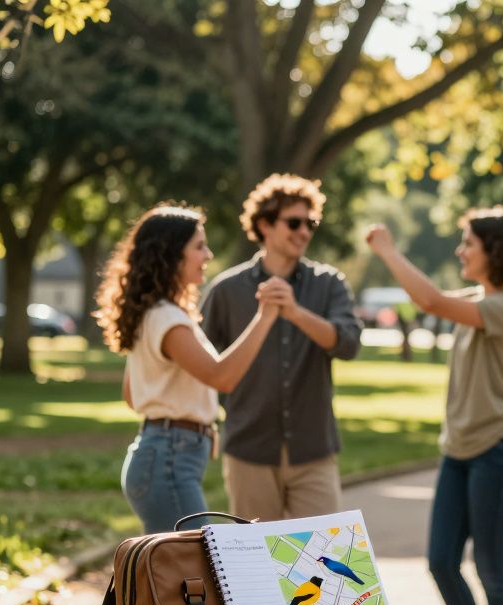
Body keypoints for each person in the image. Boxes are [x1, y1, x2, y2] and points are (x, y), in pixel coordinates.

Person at [363, 209, 503, 605]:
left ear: (494, 250)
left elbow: (428, 299)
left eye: (468, 243)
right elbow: (432, 299)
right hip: (459, 451)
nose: (460, 251)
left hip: (496, 451)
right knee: (442, 560)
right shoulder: (479, 300)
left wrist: (386, 250)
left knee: (490, 565)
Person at [94, 204, 293, 533]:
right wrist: (266, 316)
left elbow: (132, 394)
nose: (208, 255)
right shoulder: (168, 319)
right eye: (199, 246)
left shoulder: (156, 314)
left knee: (177, 573)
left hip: (162, 456)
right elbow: (221, 377)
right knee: (196, 567)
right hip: (169, 459)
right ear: (172, 254)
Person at [201, 174, 363, 521]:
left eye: (310, 223)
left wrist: (295, 313)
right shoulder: (226, 290)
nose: (304, 231)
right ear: (264, 225)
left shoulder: (329, 284)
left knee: (322, 560)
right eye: (294, 222)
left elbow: (348, 344)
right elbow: (203, 365)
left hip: (314, 449)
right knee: (256, 567)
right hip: (249, 449)